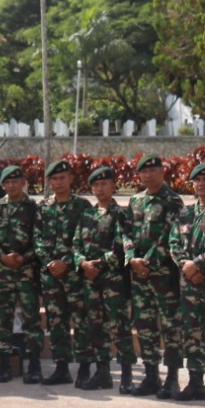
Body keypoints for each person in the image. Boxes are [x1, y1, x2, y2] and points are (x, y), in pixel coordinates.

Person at [124, 153, 184, 398]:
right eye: (144, 171)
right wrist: (131, 259)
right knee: (145, 327)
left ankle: (172, 378)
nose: (148, 175)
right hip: (139, 276)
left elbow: (170, 235)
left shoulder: (173, 201)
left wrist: (147, 261)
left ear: (162, 172)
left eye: (153, 170)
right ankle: (151, 375)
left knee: (171, 328)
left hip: (163, 275)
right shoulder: (135, 201)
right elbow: (126, 233)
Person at [72, 166, 135, 391]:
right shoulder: (87, 214)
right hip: (89, 280)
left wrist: (98, 263)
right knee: (95, 326)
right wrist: (82, 263)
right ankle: (102, 372)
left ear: (113, 186)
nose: (100, 189)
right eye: (96, 185)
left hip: (112, 280)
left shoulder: (121, 214)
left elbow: (122, 244)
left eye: (104, 184)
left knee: (119, 327)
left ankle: (127, 375)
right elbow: (76, 244)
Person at [169, 161, 205, 403]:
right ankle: (195, 382)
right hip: (189, 285)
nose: (201, 184)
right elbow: (174, 243)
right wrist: (185, 265)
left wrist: (199, 265)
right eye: (197, 180)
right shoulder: (185, 212)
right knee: (192, 333)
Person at [0, 164, 44, 384]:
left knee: (31, 318)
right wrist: (1, 256)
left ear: (23, 183)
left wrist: (24, 257)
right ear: (2, 185)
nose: (11, 185)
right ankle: (4, 366)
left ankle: (34, 365)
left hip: (25, 271)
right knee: (3, 319)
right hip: (2, 272)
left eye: (15, 181)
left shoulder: (32, 207)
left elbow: (39, 238)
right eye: (7, 182)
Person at [36, 159, 91, 386]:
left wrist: (66, 262)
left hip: (74, 274)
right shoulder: (44, 207)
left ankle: (85, 366)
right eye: (55, 178)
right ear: (49, 181)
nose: (59, 182)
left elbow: (86, 239)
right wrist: (50, 263)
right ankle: (61, 367)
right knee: (56, 321)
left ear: (70, 179)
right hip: (51, 276)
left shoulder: (83, 206)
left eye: (63, 177)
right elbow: (37, 239)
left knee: (80, 320)